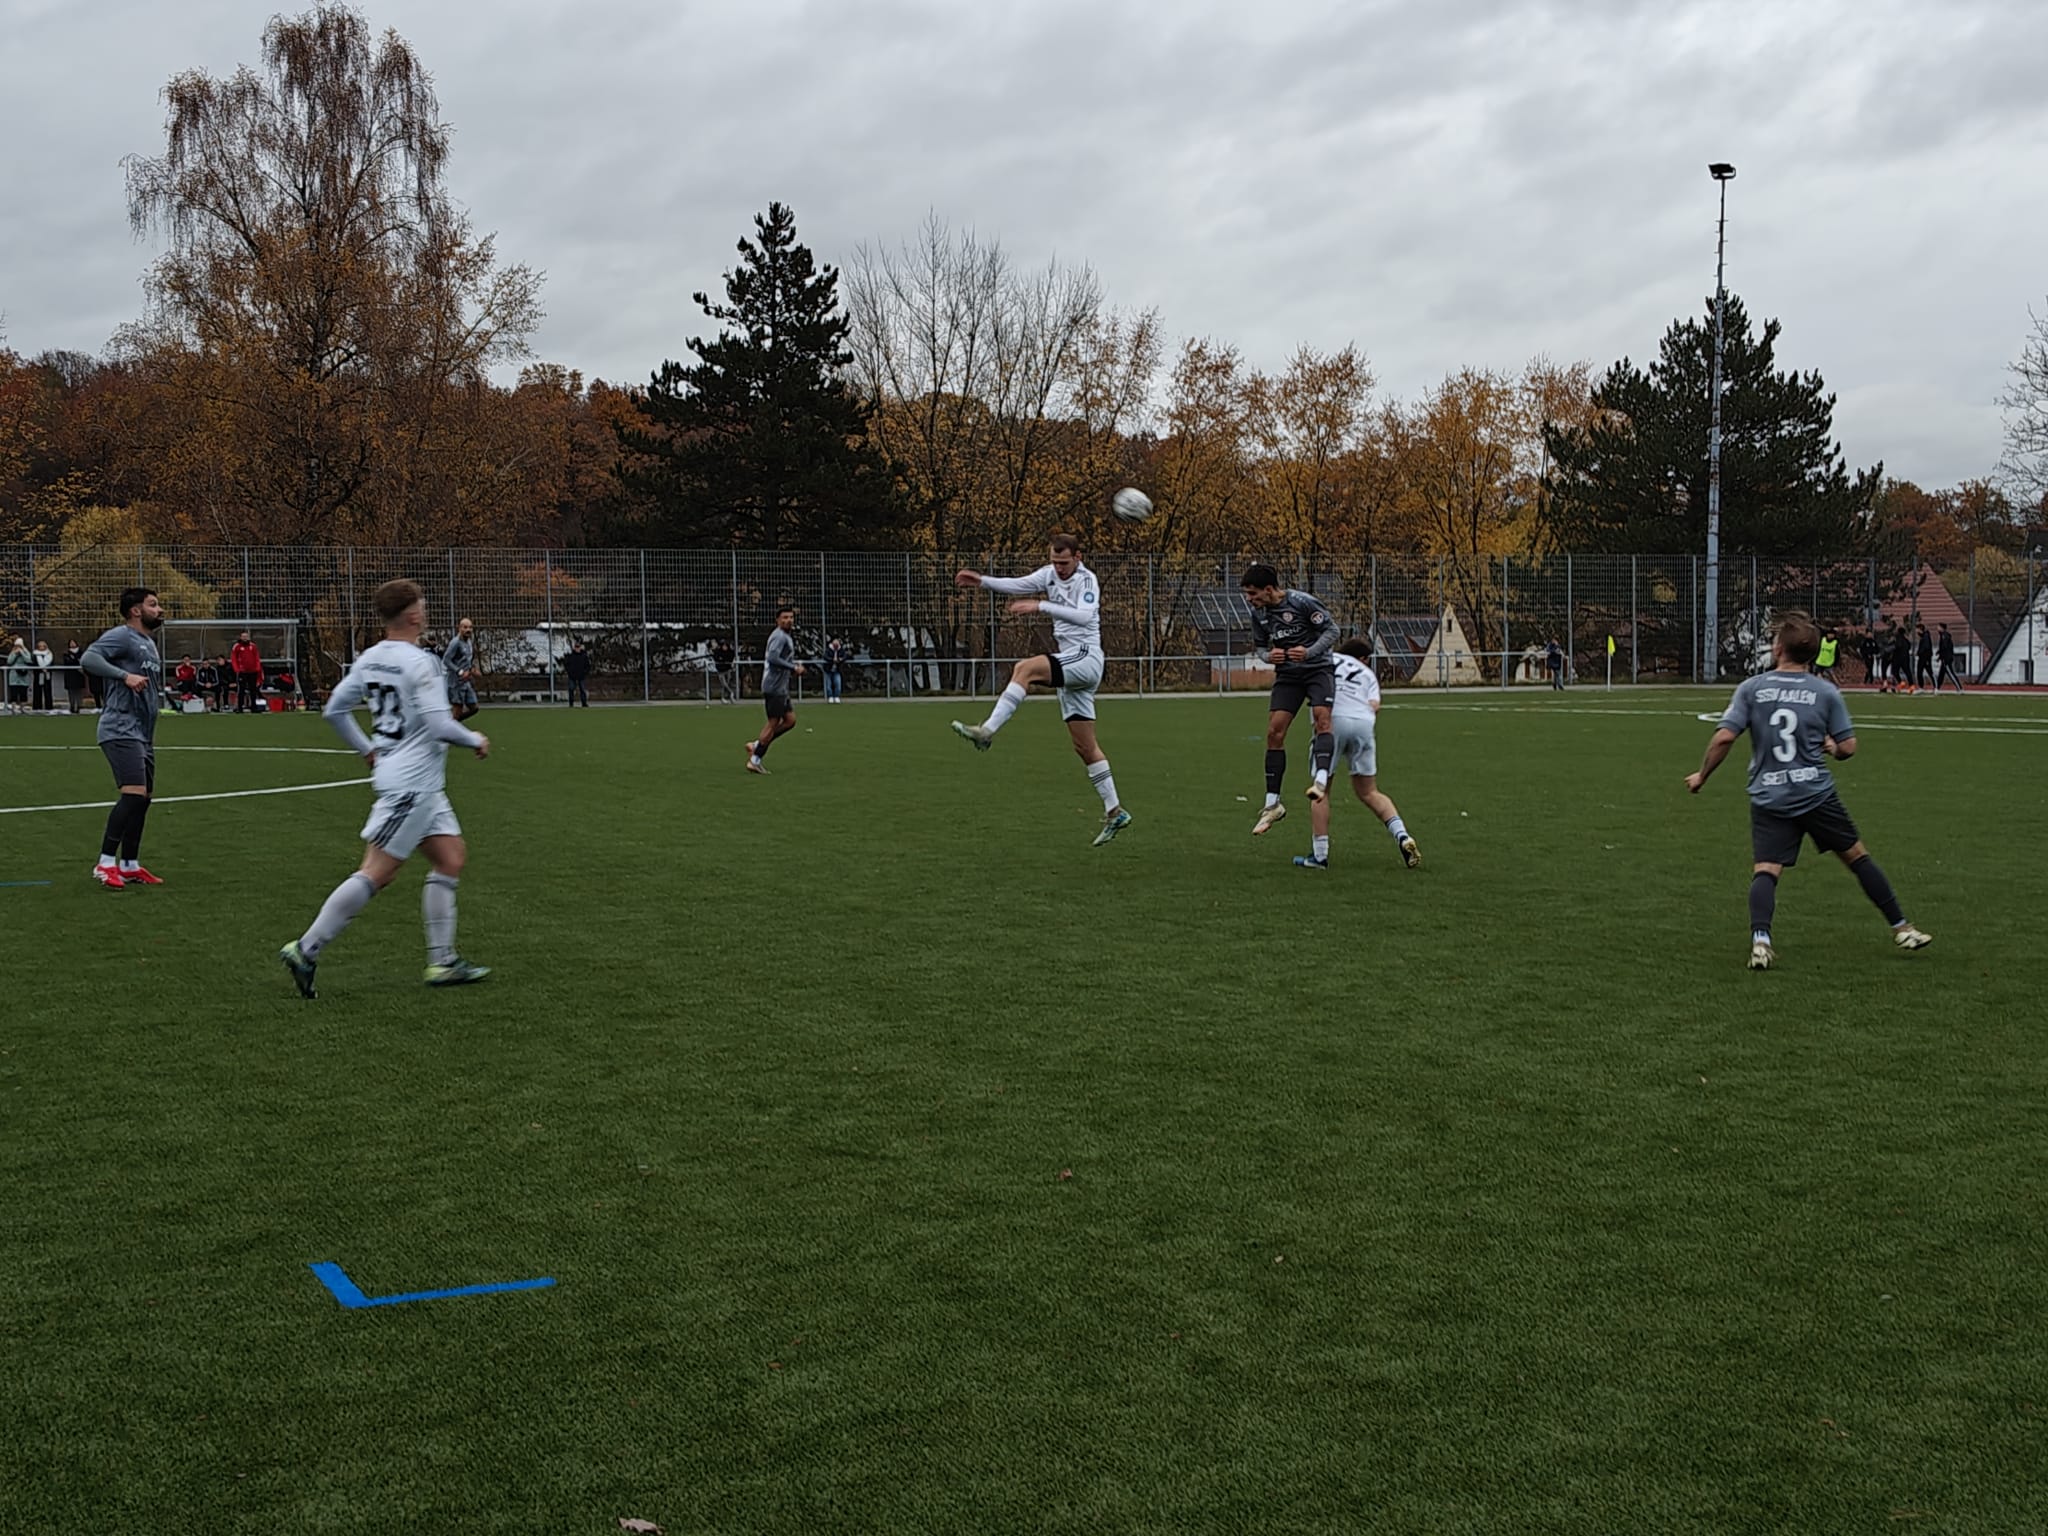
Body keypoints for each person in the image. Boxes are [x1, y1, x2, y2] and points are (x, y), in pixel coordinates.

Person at [279, 578, 492, 997]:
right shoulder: (421, 663)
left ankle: (443, 961)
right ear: (413, 615)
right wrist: (475, 739)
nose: (425, 611)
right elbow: (439, 725)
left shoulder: (371, 658)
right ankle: (306, 949)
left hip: (421, 785)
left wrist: (368, 749)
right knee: (378, 871)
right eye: (422, 605)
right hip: (411, 786)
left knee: (450, 858)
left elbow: (335, 710)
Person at [1685, 610, 1931, 970]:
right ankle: (1903, 928)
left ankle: (1761, 942)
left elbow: (1724, 738)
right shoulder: (1825, 691)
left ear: (1778, 649)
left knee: (1766, 870)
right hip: (1815, 794)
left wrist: (1702, 776)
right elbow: (1848, 748)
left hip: (1770, 796)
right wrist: (1831, 748)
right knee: (1857, 858)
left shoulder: (1752, 689)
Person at [949, 533, 1132, 847]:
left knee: (1025, 669)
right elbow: (1018, 584)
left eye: (1064, 562)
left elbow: (1085, 616)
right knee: (1085, 747)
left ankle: (987, 731)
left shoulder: (1087, 581)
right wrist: (982, 581)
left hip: (1086, 657)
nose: (1059, 568)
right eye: (1055, 562)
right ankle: (1115, 810)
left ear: (1078, 557)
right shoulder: (1049, 575)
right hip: (1071, 663)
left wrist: (1041, 606)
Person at [1293, 638, 1422, 872]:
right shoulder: (1366, 673)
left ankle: (1319, 856)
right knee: (1369, 792)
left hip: (1333, 721)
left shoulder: (1325, 659)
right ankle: (1403, 836)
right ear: (1361, 659)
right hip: (1363, 723)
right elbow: (1374, 705)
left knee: (1321, 791)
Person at [1237, 563, 1337, 837]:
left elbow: (1332, 631)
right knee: (1274, 732)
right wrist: (1269, 657)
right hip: (1288, 676)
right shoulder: (1258, 614)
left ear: (1269, 589)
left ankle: (1320, 780)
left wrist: (1309, 652)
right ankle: (1273, 804)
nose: (1250, 599)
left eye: (1253, 593)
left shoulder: (1302, 602)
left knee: (1322, 719)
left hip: (1317, 670)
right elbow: (1260, 647)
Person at [79, 587, 167, 889]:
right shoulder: (122, 636)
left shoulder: (149, 643)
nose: (159, 609)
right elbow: (89, 658)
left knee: (143, 800)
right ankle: (105, 864)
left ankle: (130, 864)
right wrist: (123, 676)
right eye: (153, 605)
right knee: (132, 794)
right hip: (120, 728)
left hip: (143, 734)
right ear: (135, 611)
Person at [746, 608, 806, 773]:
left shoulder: (785, 636)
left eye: (791, 617)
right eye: (785, 617)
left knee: (790, 720)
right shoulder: (779, 636)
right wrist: (793, 667)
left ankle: (757, 745)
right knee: (773, 723)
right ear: (777, 620)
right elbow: (773, 658)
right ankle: (755, 759)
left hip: (781, 687)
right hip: (774, 687)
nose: (789, 620)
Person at [442, 617, 480, 721]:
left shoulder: (469, 642)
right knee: (457, 709)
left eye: (470, 627)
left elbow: (466, 660)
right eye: (465, 627)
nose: (468, 630)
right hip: (456, 682)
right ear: (459, 628)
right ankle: (450, 726)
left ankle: (452, 724)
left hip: (465, 681)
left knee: (474, 708)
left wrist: (472, 669)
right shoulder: (455, 643)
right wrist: (460, 671)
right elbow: (446, 660)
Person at [230, 629, 263, 713]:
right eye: (243, 636)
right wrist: (237, 669)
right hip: (242, 672)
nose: (245, 638)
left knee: (253, 690)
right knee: (241, 690)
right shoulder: (237, 646)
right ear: (240, 637)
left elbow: (257, 657)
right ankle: (240, 707)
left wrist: (257, 668)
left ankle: (254, 707)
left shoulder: (253, 646)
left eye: (246, 636)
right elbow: (233, 659)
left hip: (252, 671)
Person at [1935, 623, 1965, 693]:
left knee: (1951, 673)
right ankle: (1937, 688)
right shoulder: (1943, 636)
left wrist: (1941, 654)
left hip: (1946, 659)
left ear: (1942, 628)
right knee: (1941, 674)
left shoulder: (1944, 636)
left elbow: (1945, 647)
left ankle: (1960, 688)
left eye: (1938, 627)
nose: (1937, 628)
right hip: (1944, 658)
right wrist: (1939, 655)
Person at [564, 639, 591, 706]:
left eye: (578, 647)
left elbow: (588, 666)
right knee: (571, 689)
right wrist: (569, 672)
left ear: (580, 647)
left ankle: (584, 703)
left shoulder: (584, 656)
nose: (577, 648)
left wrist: (584, 673)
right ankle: (571, 703)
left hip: (581, 676)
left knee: (582, 689)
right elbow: (566, 665)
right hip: (572, 676)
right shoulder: (571, 656)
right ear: (574, 648)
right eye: (576, 647)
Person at [4, 637, 28, 714]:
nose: (18, 647)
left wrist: (22, 652)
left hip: (23, 675)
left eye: (20, 645)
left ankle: (22, 708)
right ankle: (13, 708)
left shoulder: (26, 652)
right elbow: (9, 661)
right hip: (14, 676)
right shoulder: (12, 652)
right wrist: (15, 654)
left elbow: (28, 660)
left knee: (23, 693)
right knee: (14, 692)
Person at [30, 638, 55, 712]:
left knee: (48, 691)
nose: (42, 647)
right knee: (37, 691)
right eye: (40, 646)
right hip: (38, 674)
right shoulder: (34, 654)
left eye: (43, 646)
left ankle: (49, 707)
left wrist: (47, 669)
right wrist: (41, 669)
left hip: (47, 674)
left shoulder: (49, 654)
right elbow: (33, 664)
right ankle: (37, 707)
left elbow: (52, 663)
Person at [61, 639, 85, 713]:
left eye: (73, 642)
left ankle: (79, 706)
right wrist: (75, 660)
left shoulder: (81, 652)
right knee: (71, 692)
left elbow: (82, 661)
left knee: (79, 691)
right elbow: (68, 662)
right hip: (70, 675)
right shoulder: (66, 653)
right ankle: (72, 706)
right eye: (71, 643)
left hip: (79, 674)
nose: (72, 644)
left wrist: (75, 660)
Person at [712, 639, 738, 703]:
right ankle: (731, 692)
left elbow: (730, 658)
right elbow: (717, 658)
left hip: (727, 670)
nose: (725, 647)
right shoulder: (718, 652)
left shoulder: (729, 652)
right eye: (723, 646)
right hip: (720, 671)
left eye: (726, 646)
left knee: (726, 684)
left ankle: (724, 698)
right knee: (724, 683)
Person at [823, 635, 846, 703]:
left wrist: (840, 659)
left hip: (837, 670)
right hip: (828, 670)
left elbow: (845, 656)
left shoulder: (841, 650)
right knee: (828, 684)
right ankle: (830, 697)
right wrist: (832, 660)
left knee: (838, 683)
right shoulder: (828, 649)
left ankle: (837, 696)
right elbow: (825, 656)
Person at [1915, 623, 1934, 691]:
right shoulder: (1923, 637)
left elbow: (1926, 647)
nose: (1916, 631)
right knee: (1919, 672)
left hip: (1925, 657)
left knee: (1930, 672)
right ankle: (1921, 687)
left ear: (1920, 629)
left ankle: (1935, 686)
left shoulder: (1926, 636)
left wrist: (1920, 653)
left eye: (1917, 629)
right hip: (1921, 657)